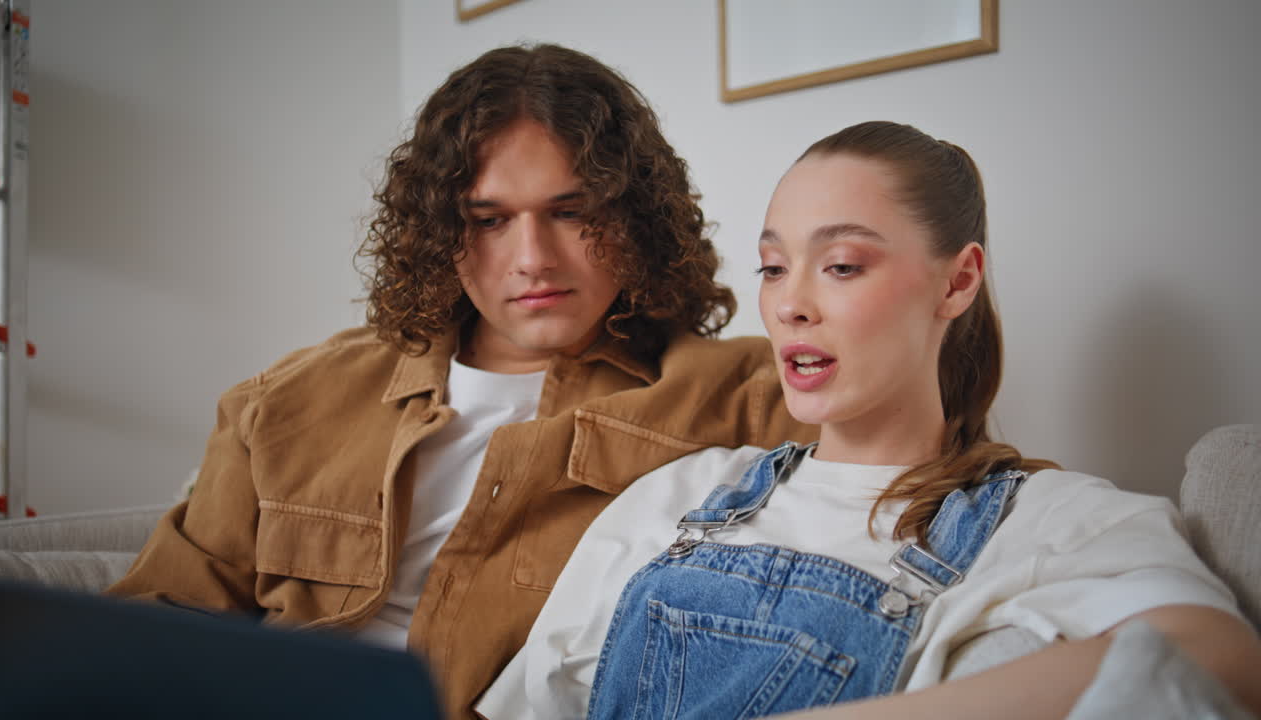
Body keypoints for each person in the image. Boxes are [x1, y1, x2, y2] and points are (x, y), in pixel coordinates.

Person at [107, 44, 815, 720]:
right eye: (489, 220)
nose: (532, 258)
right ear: (439, 230)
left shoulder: (737, 393)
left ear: (635, 219)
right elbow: (160, 622)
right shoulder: (285, 401)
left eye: (570, 213)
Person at [477, 121, 1261, 719]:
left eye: (842, 265)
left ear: (956, 283)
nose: (790, 303)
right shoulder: (682, 493)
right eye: (774, 266)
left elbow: (1223, 658)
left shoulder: (1049, 518)